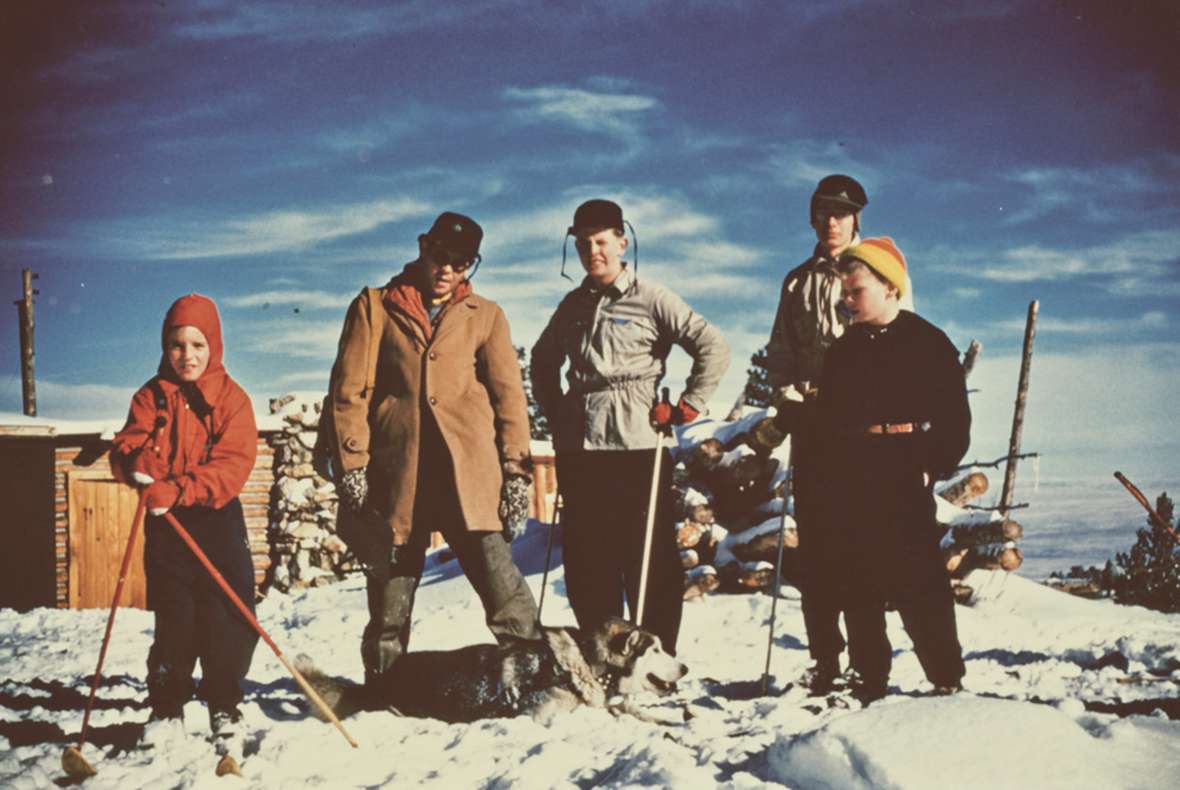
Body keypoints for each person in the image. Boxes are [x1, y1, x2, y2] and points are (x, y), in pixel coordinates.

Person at [328, 211, 541, 696]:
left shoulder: (485, 315)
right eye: (440, 256)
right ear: (423, 246)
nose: (448, 269)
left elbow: (510, 398)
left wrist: (516, 473)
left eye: (462, 262)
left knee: (502, 585)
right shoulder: (375, 307)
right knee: (390, 596)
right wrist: (354, 463)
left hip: (468, 474)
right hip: (397, 474)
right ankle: (383, 688)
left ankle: (535, 677)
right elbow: (349, 391)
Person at [530, 199, 730, 653]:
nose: (593, 251)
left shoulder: (651, 297)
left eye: (602, 241)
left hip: (638, 441)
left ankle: (655, 655)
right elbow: (543, 360)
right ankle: (604, 652)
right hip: (582, 446)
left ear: (622, 241)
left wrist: (687, 406)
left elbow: (712, 346)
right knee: (587, 558)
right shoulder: (573, 305)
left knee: (648, 557)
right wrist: (556, 409)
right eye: (583, 243)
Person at [778, 237, 970, 703]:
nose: (845, 301)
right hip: (852, 472)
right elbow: (834, 420)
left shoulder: (928, 342)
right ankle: (869, 678)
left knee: (918, 578)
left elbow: (955, 419)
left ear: (889, 288)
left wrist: (932, 466)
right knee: (857, 577)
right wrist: (801, 419)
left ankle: (946, 676)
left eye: (854, 291)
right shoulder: (843, 351)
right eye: (843, 292)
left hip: (905, 467)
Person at [764, 174, 913, 694]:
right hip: (813, 428)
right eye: (824, 211)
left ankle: (871, 667)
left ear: (856, 220)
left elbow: (902, 341)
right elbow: (779, 353)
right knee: (819, 551)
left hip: (863, 430)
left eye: (842, 213)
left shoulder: (881, 273)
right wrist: (787, 400)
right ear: (813, 217)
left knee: (862, 549)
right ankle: (825, 660)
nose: (832, 221)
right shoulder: (795, 282)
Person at [109, 293, 259, 756]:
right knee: (175, 617)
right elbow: (127, 445)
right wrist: (133, 463)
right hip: (166, 523)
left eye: (197, 344)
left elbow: (233, 463)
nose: (187, 356)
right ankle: (167, 709)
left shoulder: (232, 400)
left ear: (213, 344)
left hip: (215, 518)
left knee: (227, 614)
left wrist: (180, 488)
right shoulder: (150, 396)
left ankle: (224, 707)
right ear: (164, 346)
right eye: (177, 345)